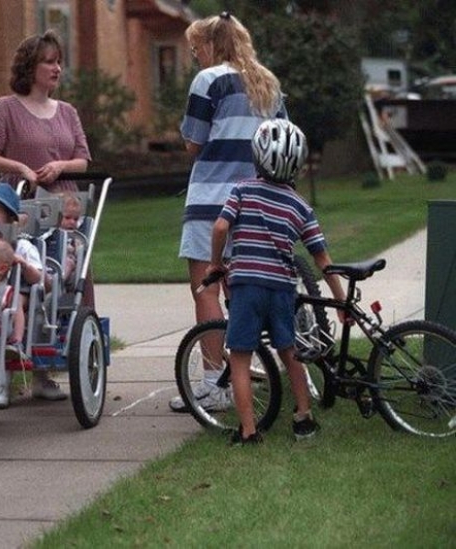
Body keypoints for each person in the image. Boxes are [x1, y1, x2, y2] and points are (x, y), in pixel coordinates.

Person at [170, 11, 288, 413]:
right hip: (258, 202)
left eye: (195, 48)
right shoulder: (268, 82)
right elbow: (282, 138)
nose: (195, 56)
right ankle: (244, 372)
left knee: (206, 288)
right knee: (242, 290)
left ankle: (213, 384)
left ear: (211, 45)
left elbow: (194, 142)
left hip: (212, 199)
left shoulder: (209, 80)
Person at [206, 119, 346, 444]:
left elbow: (220, 227)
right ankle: (303, 419)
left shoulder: (242, 190)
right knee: (289, 352)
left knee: (240, 357)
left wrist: (216, 263)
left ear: (257, 157)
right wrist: (340, 301)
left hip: (247, 287)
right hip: (282, 288)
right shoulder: (301, 207)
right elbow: (322, 259)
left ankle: (249, 431)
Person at [0, 183, 65, 408]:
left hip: (21, 296)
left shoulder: (22, 246)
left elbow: (43, 281)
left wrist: (23, 265)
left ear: (11, 219)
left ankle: (8, 379)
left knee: (12, 303)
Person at [0, 29, 91, 196]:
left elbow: (82, 162)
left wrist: (60, 166)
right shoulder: (4, 108)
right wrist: (20, 168)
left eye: (59, 62)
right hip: (20, 201)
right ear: (29, 67)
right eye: (50, 62)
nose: (57, 69)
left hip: (66, 204)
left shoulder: (68, 112)